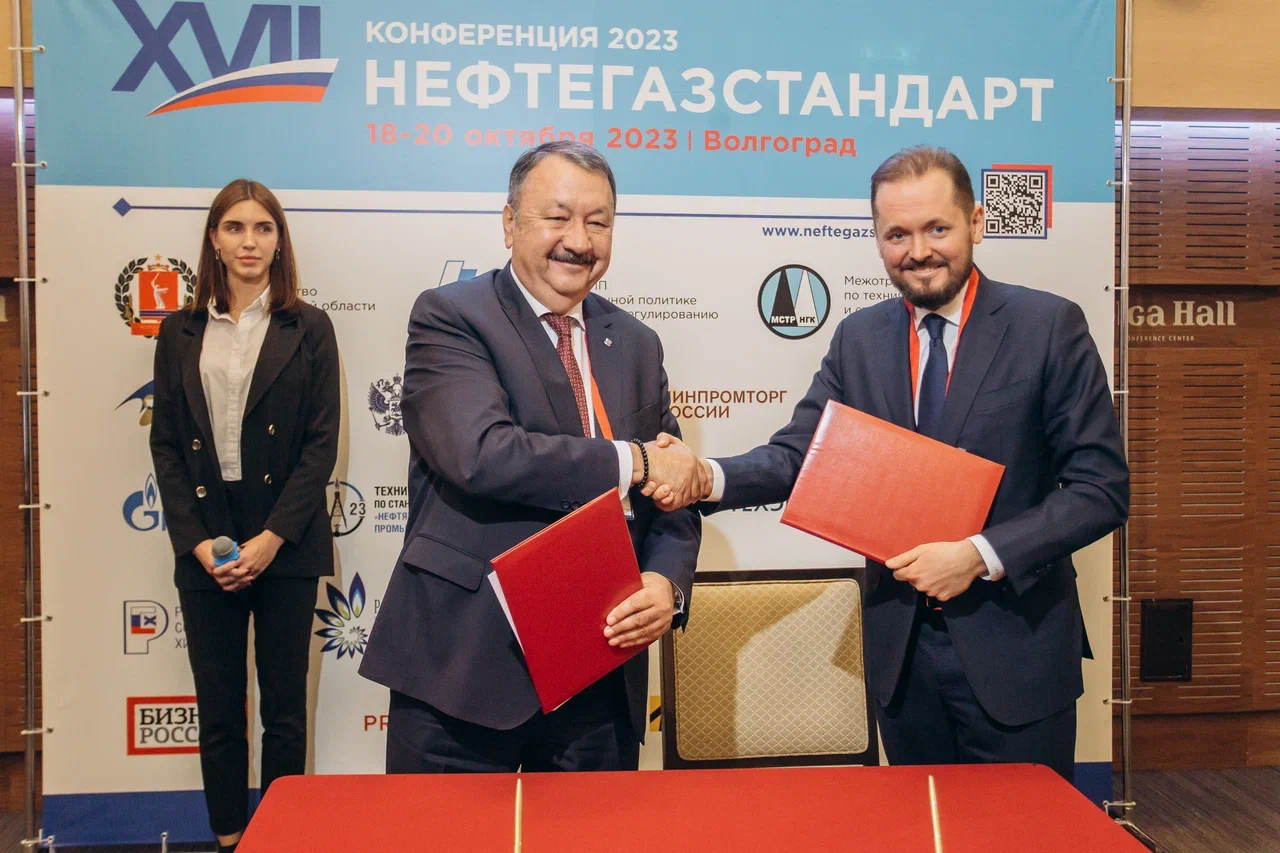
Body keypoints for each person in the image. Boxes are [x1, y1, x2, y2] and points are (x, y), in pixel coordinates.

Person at [651, 146, 1129, 782]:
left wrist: (978, 555)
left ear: (976, 223)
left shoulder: (1047, 326)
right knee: (918, 826)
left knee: (1021, 829)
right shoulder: (860, 338)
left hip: (1015, 650)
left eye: (937, 229)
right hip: (902, 658)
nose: (918, 251)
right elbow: (798, 455)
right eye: (897, 235)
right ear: (877, 240)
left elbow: (1100, 489)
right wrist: (704, 476)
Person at [359, 141, 705, 773]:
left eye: (598, 222)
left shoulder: (636, 342)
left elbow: (673, 492)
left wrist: (665, 583)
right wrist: (634, 462)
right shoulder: (452, 316)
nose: (579, 240)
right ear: (510, 222)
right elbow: (480, 454)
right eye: (557, 217)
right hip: (464, 669)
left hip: (599, 669)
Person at [150, 179, 340, 852]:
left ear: (279, 241)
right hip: (207, 537)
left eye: (263, 228)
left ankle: (282, 837)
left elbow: (321, 445)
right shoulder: (178, 330)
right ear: (214, 239)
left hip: (285, 536)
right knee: (220, 710)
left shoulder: (310, 328)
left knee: (285, 711)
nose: (249, 241)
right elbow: (166, 444)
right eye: (235, 227)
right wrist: (197, 542)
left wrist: (271, 539)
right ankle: (229, 837)